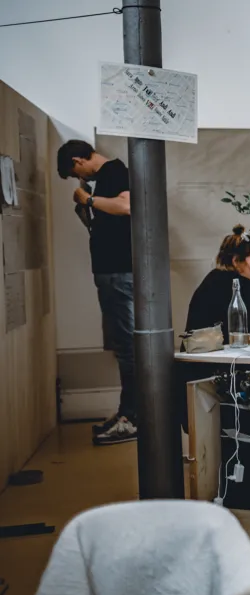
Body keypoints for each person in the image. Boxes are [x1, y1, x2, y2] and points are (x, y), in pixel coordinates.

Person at [57, 140, 137, 445]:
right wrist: (88, 206)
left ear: (79, 160)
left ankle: (132, 417)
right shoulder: (106, 177)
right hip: (111, 272)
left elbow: (126, 206)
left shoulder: (114, 171)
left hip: (117, 272)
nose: (82, 180)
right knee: (124, 345)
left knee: (128, 347)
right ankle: (127, 413)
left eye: (76, 171)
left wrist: (89, 200)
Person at [185, 225, 250, 344]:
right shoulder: (242, 287)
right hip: (216, 358)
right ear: (236, 261)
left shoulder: (211, 280)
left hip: (195, 356)